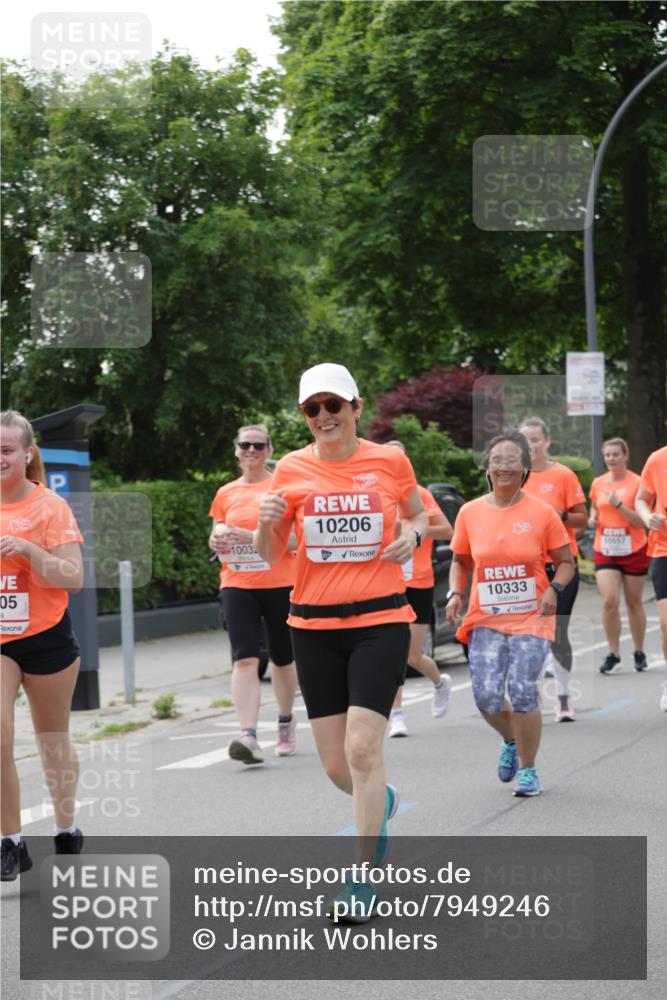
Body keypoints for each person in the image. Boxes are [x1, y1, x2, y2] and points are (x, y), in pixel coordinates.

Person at [256, 363, 427, 917]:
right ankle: (383, 803)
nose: (324, 416)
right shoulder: (289, 471)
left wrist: (412, 534)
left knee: (361, 749)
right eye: (313, 409)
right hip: (312, 627)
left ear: (356, 406)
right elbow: (268, 553)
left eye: (333, 405)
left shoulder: (390, 460)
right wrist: (264, 521)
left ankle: (361, 881)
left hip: (380, 621)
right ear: (305, 417)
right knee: (336, 766)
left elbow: (418, 514)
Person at [446, 430, 575, 797]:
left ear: (525, 468)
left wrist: (554, 588)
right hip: (485, 617)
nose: (503, 467)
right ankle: (510, 740)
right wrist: (456, 591)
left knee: (521, 691)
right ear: (487, 467)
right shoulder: (470, 512)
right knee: (486, 696)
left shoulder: (541, 512)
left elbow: (565, 563)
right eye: (496, 460)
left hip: (531, 615)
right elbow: (460, 561)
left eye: (511, 460)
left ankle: (529, 770)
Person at [1, 410, 84, 880]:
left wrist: (30, 552)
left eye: (7, 451)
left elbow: (74, 579)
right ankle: (10, 842)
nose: (0, 459)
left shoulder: (49, 506)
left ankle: (66, 825)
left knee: (52, 743)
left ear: (27, 453)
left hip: (46, 636)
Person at [209, 425, 298, 764]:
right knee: (244, 658)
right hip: (237, 584)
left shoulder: (282, 489)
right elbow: (216, 535)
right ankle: (248, 735)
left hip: (280, 582)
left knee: (282, 659)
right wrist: (216, 540)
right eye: (245, 445)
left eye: (258, 445)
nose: (251, 450)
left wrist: (248, 536)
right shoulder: (225, 493)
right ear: (236, 450)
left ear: (269, 449)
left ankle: (286, 721)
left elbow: (296, 541)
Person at [518, 417, 587, 721]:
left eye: (535, 439)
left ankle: (563, 698)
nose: (530, 445)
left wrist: (558, 515)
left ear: (547, 441)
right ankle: (528, 700)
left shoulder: (563, 475)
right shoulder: (513, 475)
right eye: (524, 440)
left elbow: (582, 520)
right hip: (525, 567)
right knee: (529, 634)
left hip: (561, 566)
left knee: (557, 631)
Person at [384, 441, 453, 738]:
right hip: (388, 582)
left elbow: (447, 530)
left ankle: (440, 683)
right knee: (391, 655)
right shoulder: (376, 495)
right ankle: (397, 715)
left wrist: (414, 530)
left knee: (412, 656)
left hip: (420, 581)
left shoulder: (420, 494)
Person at [589, 438, 649, 673]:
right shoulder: (598, 483)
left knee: (634, 603)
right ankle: (613, 652)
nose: (611, 459)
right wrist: (593, 518)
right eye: (607, 455)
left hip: (633, 548)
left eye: (615, 454)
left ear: (626, 456)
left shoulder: (637, 482)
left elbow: (640, 521)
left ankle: (638, 651)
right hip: (605, 549)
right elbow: (594, 509)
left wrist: (619, 506)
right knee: (609, 600)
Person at [635, 441, 667, 710]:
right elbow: (641, 498)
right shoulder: (657, 459)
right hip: (663, 549)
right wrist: (648, 517)